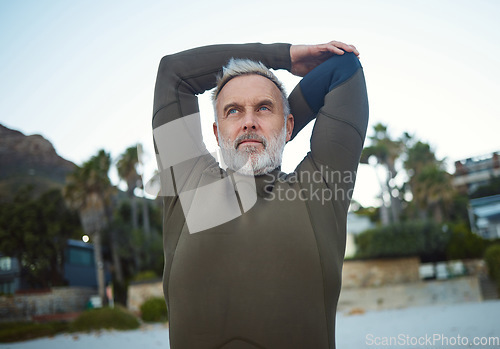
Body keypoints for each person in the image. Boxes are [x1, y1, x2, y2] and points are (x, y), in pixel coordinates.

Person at [151, 40, 368, 349]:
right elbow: (174, 73)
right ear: (216, 132)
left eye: (264, 108)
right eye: (233, 111)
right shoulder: (188, 186)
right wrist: (283, 57)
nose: (248, 121)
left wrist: (274, 137)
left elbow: (344, 67)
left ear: (290, 125)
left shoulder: (318, 191)